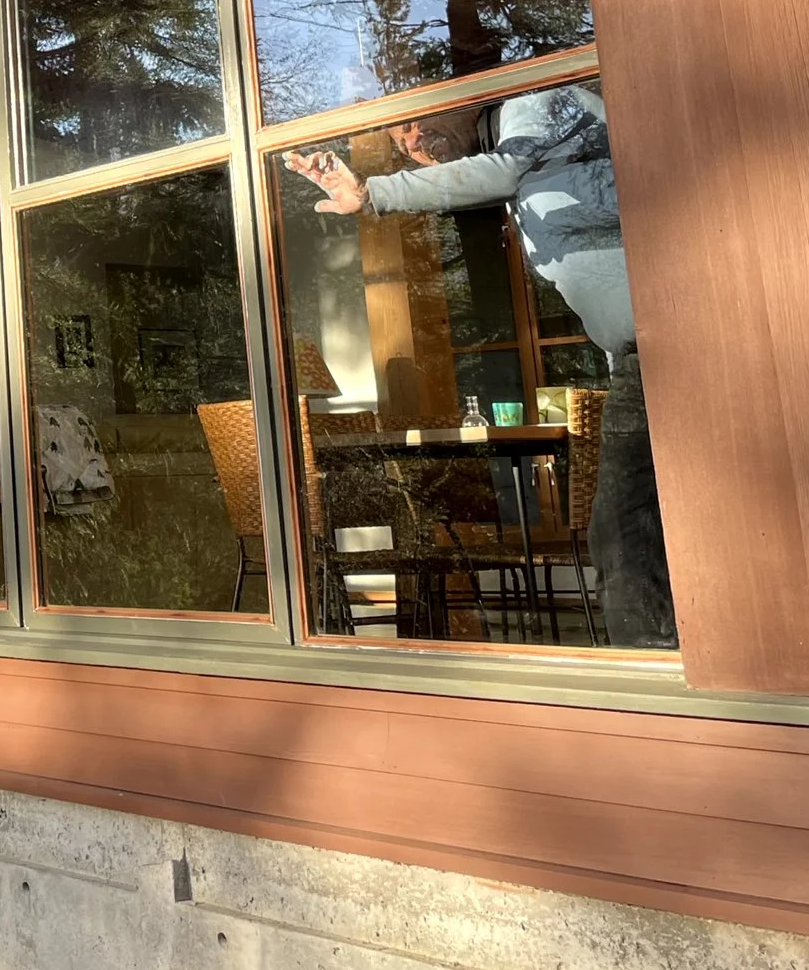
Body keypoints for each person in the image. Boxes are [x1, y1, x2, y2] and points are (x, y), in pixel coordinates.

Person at [283, 83, 676, 646]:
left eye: (418, 122)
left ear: (466, 99)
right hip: (643, 357)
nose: (415, 142)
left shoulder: (531, 105)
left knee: (626, 527)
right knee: (637, 524)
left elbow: (501, 171)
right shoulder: (521, 162)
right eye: (402, 140)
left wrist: (371, 193)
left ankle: (656, 675)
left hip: (684, 333)